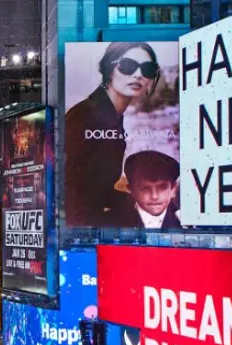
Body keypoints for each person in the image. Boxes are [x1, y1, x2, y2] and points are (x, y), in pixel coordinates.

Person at [65, 42, 162, 227]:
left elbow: (97, 188)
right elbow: (69, 188)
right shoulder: (85, 114)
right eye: (128, 65)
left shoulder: (113, 116)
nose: (138, 74)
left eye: (147, 69)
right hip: (83, 228)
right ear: (109, 70)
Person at [110, 150, 180, 228]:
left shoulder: (183, 220)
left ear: (173, 188)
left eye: (162, 187)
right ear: (131, 190)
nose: (154, 196)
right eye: (145, 189)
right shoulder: (109, 221)